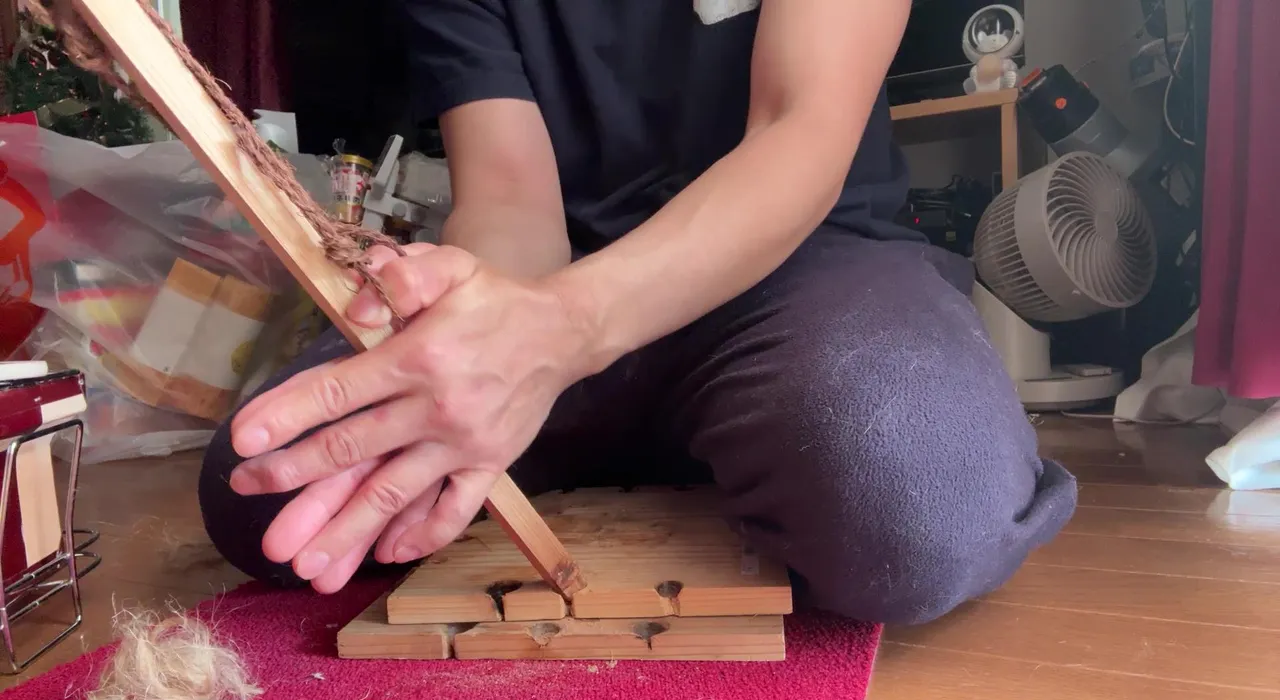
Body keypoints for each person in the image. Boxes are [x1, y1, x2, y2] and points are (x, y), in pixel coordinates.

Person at [199, 0, 1076, 625]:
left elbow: (800, 132)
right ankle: (718, 454)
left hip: (805, 266)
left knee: (919, 507)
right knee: (264, 486)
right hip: (563, 294)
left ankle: (706, 446)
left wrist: (557, 331)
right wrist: (463, 309)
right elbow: (512, 205)